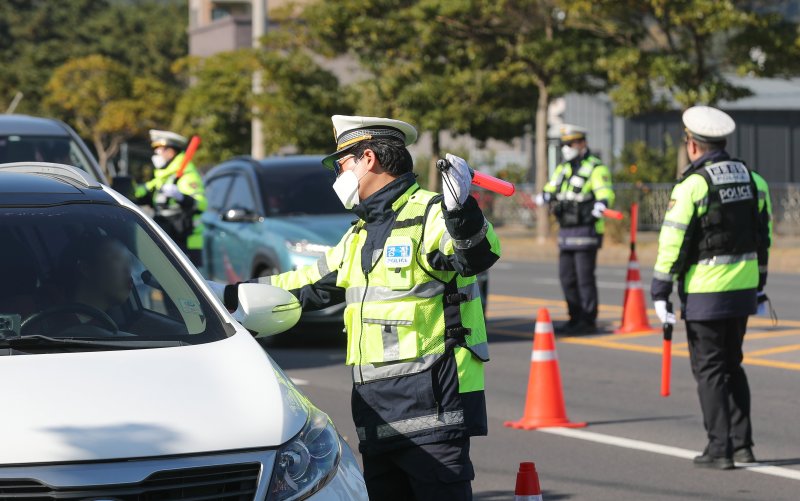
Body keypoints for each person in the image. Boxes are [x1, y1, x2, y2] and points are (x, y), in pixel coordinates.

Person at [213, 115, 501, 500]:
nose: (338, 173)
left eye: (341, 163)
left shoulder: (431, 213)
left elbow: (476, 257)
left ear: (368, 158)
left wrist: (461, 209)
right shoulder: (359, 234)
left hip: (432, 412)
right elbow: (300, 286)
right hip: (377, 416)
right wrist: (222, 295)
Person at [650, 105, 772, 470]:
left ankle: (720, 448)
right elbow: (763, 238)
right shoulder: (755, 180)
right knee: (733, 364)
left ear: (692, 145)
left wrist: (659, 290)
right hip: (745, 288)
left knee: (710, 369)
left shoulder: (694, 184)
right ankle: (743, 446)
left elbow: (672, 240)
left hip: (706, 291)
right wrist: (760, 285)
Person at [534, 124, 615, 334]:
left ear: (582, 143)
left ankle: (588, 320)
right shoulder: (563, 168)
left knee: (584, 278)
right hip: (566, 231)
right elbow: (551, 188)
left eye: (571, 143)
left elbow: (605, 191)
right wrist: (544, 196)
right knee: (566, 277)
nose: (567, 148)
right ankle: (574, 317)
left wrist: (602, 203)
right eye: (565, 144)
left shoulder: (596, 167)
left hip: (586, 230)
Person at [134, 129, 206, 266]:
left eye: (159, 149)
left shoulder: (187, 176)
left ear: (171, 151)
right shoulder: (163, 176)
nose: (156, 154)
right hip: (168, 238)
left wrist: (181, 196)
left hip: (186, 243)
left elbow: (201, 204)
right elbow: (142, 193)